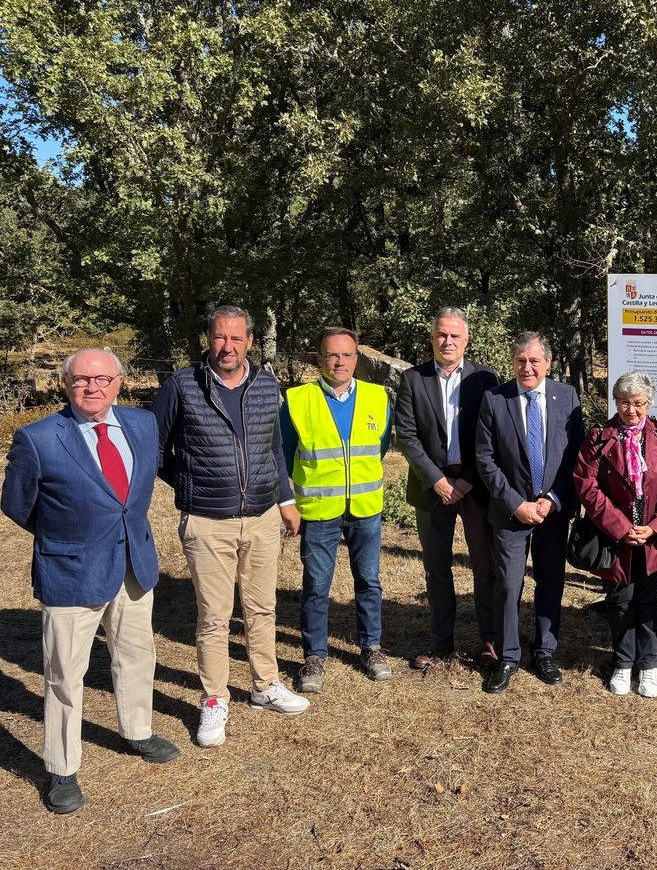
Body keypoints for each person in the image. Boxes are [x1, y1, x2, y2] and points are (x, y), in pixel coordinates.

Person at [2, 348, 180, 814]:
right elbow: (17, 504)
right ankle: (62, 767)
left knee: (136, 655)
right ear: (65, 383)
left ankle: (137, 730)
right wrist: (67, 537)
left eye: (102, 379)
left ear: (119, 382)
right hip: (70, 571)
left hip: (133, 564)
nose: (92, 387)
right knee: (64, 673)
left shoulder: (143, 424)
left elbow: (136, 492)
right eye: (81, 379)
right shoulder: (38, 438)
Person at [153, 304, 308, 749]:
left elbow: (273, 447)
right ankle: (215, 699)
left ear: (250, 342)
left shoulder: (266, 384)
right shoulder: (182, 385)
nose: (228, 346)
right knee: (214, 617)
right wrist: (190, 483)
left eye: (236, 338)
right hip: (207, 522)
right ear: (209, 338)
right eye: (220, 337)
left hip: (261, 518)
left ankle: (265, 685)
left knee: (262, 609)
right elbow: (156, 449)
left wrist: (284, 498)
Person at [281, 326, 392, 693]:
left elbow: (380, 447)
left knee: (369, 581)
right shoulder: (298, 400)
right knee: (316, 585)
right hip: (319, 510)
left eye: (346, 355)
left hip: (365, 508)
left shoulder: (377, 397)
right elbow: (284, 452)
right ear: (320, 359)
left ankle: (371, 648)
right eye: (332, 355)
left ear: (356, 359)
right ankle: (314, 656)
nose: (339, 361)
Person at [475, 331, 584, 694]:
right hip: (511, 511)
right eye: (520, 360)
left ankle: (545, 652)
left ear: (548, 363)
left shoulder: (567, 397)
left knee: (550, 581)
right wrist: (515, 503)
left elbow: (578, 456)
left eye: (534, 360)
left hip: (552, 510)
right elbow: (485, 458)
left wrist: (553, 499)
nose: (527, 367)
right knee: (508, 585)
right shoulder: (495, 399)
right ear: (512, 362)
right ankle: (508, 656)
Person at [395, 308, 500, 671]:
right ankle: (442, 642)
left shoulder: (485, 378)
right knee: (437, 567)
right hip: (432, 487)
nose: (448, 341)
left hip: (475, 486)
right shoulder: (413, 379)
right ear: (432, 338)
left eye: (455, 335)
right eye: (441, 334)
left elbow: (492, 434)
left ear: (466, 340)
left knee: (485, 566)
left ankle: (490, 641)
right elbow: (407, 436)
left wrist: (469, 478)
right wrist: (437, 481)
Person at [573, 371, 657, 698]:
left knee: (648, 600)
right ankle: (622, 662)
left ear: (648, 403)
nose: (630, 410)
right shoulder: (599, 436)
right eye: (623, 402)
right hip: (613, 536)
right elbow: (587, 485)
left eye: (638, 403)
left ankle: (648, 664)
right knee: (620, 601)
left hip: (652, 537)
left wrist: (655, 527)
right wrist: (621, 528)